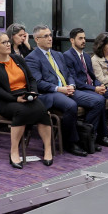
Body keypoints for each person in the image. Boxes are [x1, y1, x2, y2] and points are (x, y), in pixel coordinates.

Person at [0, 32, 53, 169]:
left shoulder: (17, 59)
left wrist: (33, 91)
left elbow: (31, 79)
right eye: (4, 42)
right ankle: (14, 151)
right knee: (21, 111)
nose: (8, 44)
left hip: (25, 94)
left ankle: (48, 149)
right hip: (4, 100)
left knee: (42, 111)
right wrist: (15, 99)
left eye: (8, 41)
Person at [24, 26, 89, 156]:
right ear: (36, 39)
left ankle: (89, 137)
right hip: (49, 94)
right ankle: (70, 142)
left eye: (50, 35)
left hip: (67, 89)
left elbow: (68, 73)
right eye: (46, 36)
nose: (50, 38)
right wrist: (60, 89)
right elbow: (38, 83)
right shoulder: (32, 58)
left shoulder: (57, 54)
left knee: (97, 101)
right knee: (71, 105)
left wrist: (71, 85)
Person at [64, 28, 108, 143]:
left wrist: (100, 86)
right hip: (82, 89)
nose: (83, 40)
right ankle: (96, 135)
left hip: (93, 88)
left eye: (84, 38)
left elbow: (93, 77)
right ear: (72, 40)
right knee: (100, 99)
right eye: (80, 38)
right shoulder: (67, 56)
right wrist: (95, 88)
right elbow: (74, 81)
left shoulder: (86, 56)